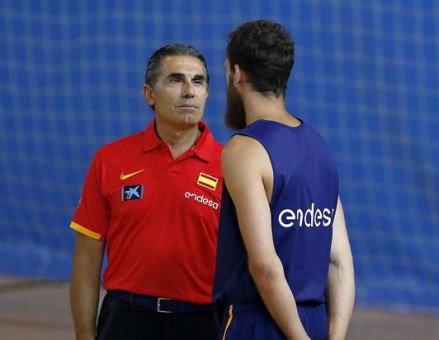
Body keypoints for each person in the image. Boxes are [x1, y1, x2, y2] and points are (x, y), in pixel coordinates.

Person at [69, 43, 223, 340]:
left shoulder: (231, 164)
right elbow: (87, 261)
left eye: (198, 81)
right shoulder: (110, 160)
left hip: (205, 323)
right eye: (176, 80)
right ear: (149, 94)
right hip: (127, 320)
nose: (189, 91)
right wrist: (85, 335)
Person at [213, 19, 355, 340]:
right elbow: (340, 261)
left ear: (238, 74)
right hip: (315, 321)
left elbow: (264, 266)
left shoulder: (244, 149)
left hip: (260, 321)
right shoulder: (319, 147)